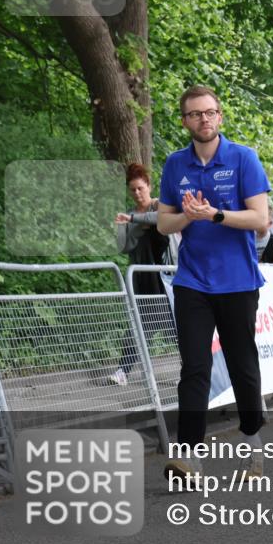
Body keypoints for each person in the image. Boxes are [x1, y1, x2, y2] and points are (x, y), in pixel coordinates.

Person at [157, 85, 271, 484]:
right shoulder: (175, 165)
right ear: (185, 121)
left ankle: (253, 441)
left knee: (242, 364)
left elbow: (261, 219)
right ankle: (189, 457)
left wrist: (216, 215)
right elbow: (163, 223)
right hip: (192, 281)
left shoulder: (243, 158)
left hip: (238, 281)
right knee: (194, 366)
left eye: (210, 112)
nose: (203, 120)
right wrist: (189, 217)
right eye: (194, 114)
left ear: (220, 116)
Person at [109, 163, 174, 386]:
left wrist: (135, 221)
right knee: (137, 325)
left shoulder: (159, 206)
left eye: (140, 188)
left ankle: (196, 371)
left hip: (165, 278)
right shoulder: (129, 215)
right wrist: (120, 226)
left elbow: (161, 220)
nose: (137, 193)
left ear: (148, 186)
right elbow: (124, 247)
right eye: (133, 190)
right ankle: (122, 370)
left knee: (177, 325)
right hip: (140, 277)